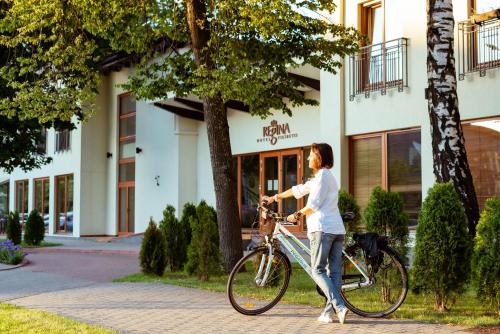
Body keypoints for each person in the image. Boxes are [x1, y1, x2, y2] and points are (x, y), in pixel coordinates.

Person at [262, 143, 348, 324]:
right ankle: (328, 313)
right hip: (336, 229)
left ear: (320, 157)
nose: (308, 158)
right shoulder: (323, 177)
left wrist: (297, 214)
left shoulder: (323, 176)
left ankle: (339, 306)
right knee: (333, 272)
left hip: (323, 229)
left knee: (316, 270)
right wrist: (274, 197)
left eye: (311, 155)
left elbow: (314, 204)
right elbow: (298, 190)